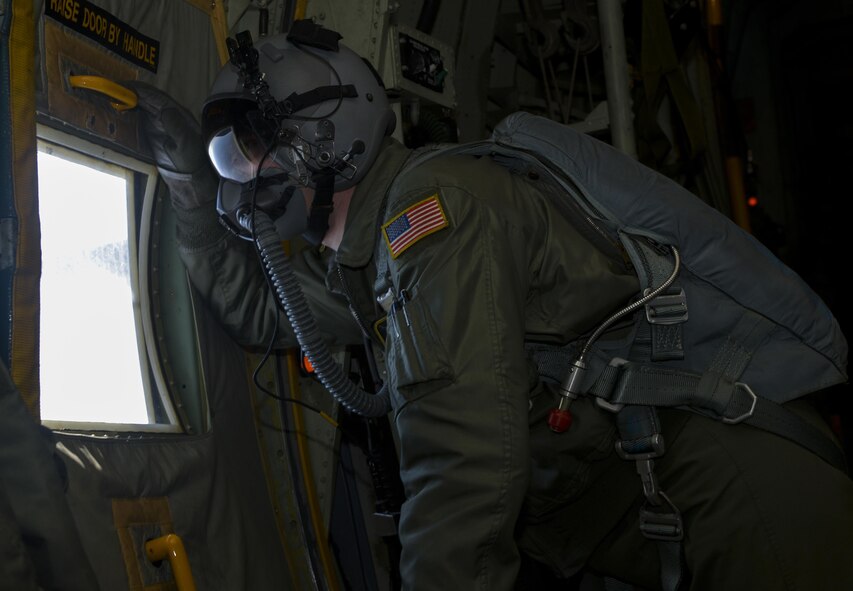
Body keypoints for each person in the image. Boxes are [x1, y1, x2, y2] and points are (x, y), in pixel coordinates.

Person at [132, 22, 853, 591]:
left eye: (247, 152)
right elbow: (266, 312)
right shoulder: (369, 254)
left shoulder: (435, 218)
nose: (239, 180)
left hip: (745, 499)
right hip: (655, 508)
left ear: (324, 140)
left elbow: (462, 465)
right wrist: (190, 193)